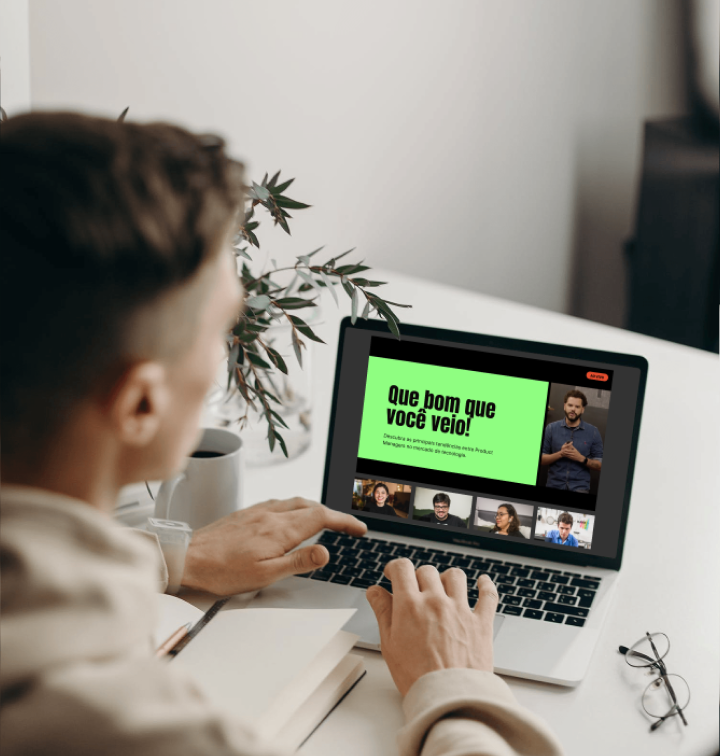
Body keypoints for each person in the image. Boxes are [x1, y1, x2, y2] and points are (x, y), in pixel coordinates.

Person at [0, 112, 563, 756]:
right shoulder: (127, 728)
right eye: (219, 332)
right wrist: (457, 687)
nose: (224, 360)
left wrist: (176, 560)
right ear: (140, 403)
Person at [540, 390, 603, 493]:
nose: (573, 409)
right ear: (565, 406)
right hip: (554, 484)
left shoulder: (594, 432)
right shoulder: (551, 428)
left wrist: (580, 458)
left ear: (582, 409)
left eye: (577, 407)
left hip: (580, 487)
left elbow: (599, 465)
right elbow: (541, 459)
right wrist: (561, 453)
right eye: (570, 405)